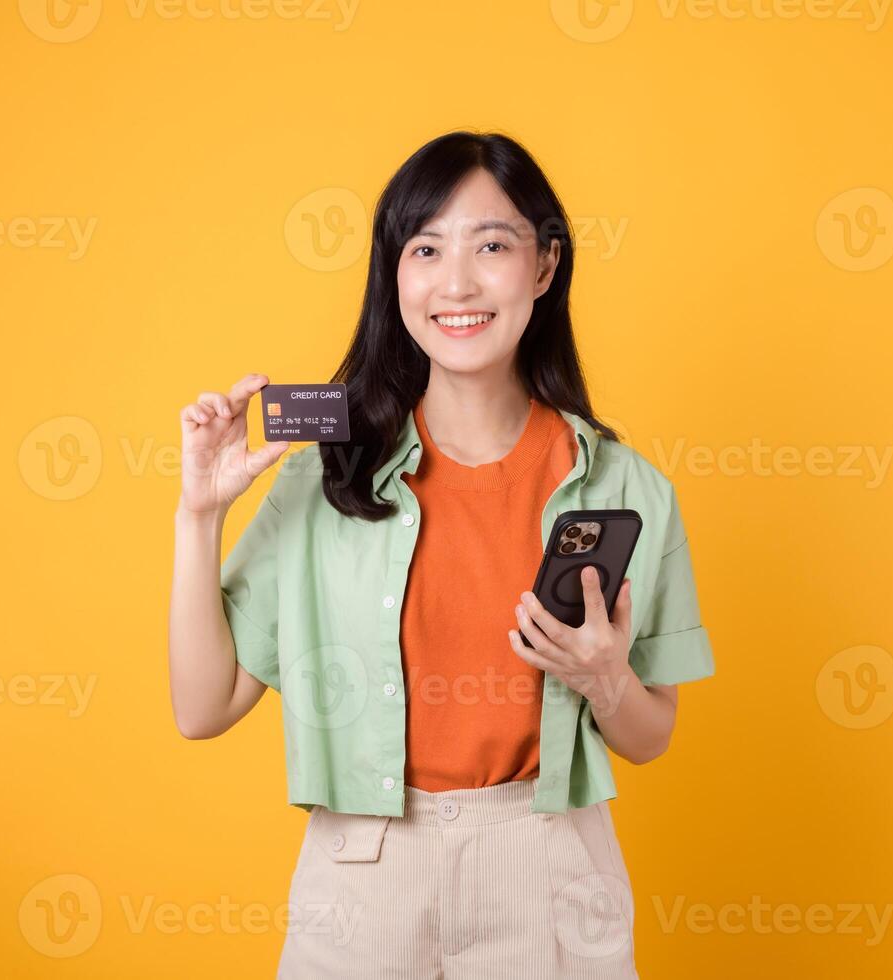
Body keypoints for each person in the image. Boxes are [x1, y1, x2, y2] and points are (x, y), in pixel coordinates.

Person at [169, 130, 714, 979]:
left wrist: (604, 677)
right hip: (363, 877)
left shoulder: (625, 488)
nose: (456, 283)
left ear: (544, 267)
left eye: (491, 246)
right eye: (425, 249)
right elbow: (201, 709)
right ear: (396, 275)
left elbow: (651, 738)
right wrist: (198, 517)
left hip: (550, 872)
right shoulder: (325, 473)